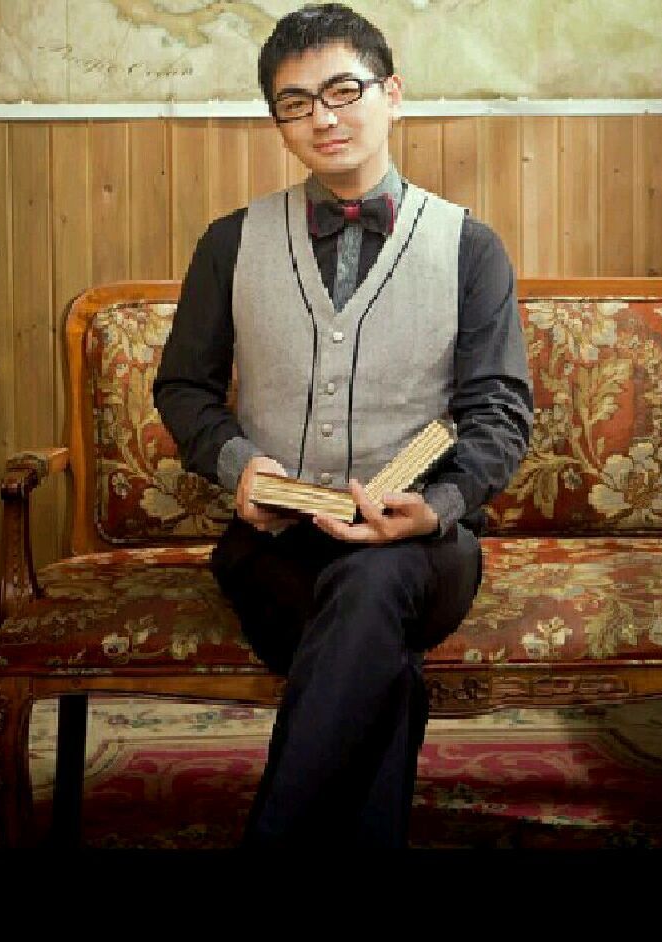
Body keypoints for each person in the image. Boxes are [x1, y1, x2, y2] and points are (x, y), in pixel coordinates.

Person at [154, 2, 533, 848]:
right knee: (376, 663)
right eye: (296, 103)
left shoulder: (469, 247)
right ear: (278, 123)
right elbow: (182, 388)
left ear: (391, 94)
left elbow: (501, 412)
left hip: (422, 552)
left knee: (373, 584)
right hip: (273, 550)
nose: (323, 117)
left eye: (343, 91)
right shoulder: (229, 243)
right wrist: (237, 464)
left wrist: (436, 508)